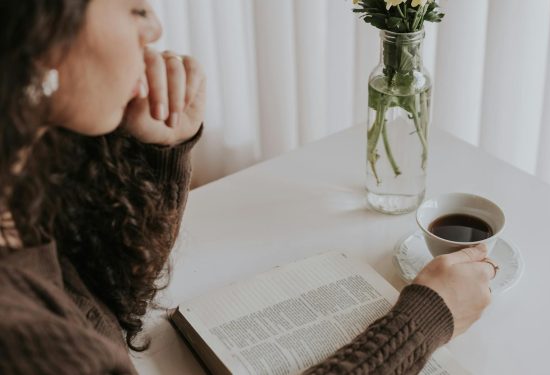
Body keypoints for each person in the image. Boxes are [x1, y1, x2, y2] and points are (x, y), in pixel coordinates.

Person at [0, 1, 497, 374]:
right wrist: (425, 320)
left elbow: (108, 305)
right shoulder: (26, 343)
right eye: (131, 7)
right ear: (37, 30)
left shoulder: (22, 173)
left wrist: (157, 152)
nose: (153, 25)